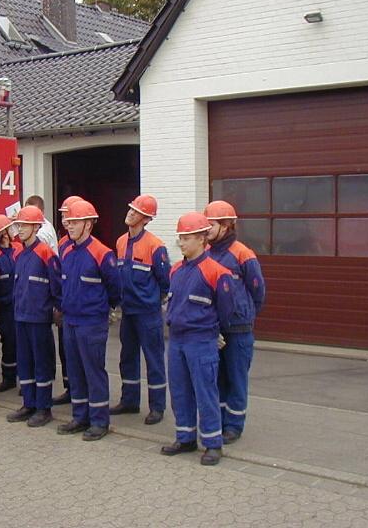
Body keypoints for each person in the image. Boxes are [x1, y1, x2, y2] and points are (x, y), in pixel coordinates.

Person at [160, 212, 236, 466]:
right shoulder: (176, 270)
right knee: (180, 391)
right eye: (180, 238)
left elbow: (226, 310)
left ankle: (213, 443)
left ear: (202, 239)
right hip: (177, 340)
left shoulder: (217, 272)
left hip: (201, 340)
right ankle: (185, 437)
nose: (181, 243)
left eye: (187, 238)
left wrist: (214, 333)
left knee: (205, 392)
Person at [57, 200, 121, 441]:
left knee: (94, 372)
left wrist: (105, 309)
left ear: (88, 224)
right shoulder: (66, 250)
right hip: (70, 320)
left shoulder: (102, 253)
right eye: (69, 221)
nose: (70, 226)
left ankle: (99, 421)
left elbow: (115, 288)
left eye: (75, 222)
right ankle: (80, 416)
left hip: (92, 322)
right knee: (75, 371)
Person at [203, 200, 266, 445]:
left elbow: (258, 291)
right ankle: (218, 421)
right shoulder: (205, 253)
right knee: (217, 378)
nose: (206, 229)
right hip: (214, 329)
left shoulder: (242, 254)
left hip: (239, 330)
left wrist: (244, 315)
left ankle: (234, 426)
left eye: (211, 224)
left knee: (237, 379)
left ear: (226, 225)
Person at [111, 195, 171, 425]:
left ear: (146, 219)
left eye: (136, 211)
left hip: (148, 314)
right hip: (128, 312)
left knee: (153, 360)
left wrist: (153, 301)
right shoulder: (120, 242)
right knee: (127, 357)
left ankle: (157, 407)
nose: (131, 213)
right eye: (131, 209)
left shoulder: (155, 246)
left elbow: (165, 282)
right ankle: (129, 401)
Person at [6, 205, 62, 427]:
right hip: (21, 317)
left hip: (39, 319)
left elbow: (57, 287)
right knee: (25, 363)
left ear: (37, 227)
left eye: (25, 225)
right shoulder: (19, 254)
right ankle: (28, 404)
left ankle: (43, 408)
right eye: (19, 225)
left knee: (42, 363)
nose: (20, 229)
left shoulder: (46, 253)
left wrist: (56, 311)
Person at [52, 195, 85, 405]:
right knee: (66, 351)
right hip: (65, 306)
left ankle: (83, 393)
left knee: (83, 356)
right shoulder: (63, 243)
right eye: (63, 216)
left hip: (83, 311)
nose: (65, 220)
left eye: (69, 215)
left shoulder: (89, 246)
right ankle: (70, 388)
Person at [0, 214, 22, 393]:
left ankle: (26, 380)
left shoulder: (19, 249)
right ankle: (9, 378)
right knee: (8, 342)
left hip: (22, 305)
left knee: (24, 343)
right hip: (5, 308)